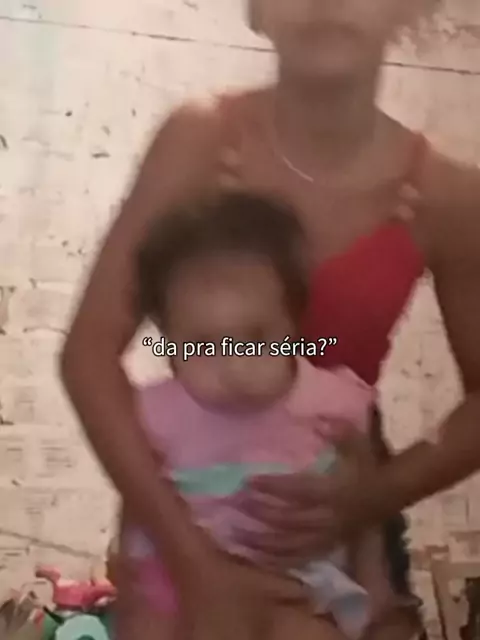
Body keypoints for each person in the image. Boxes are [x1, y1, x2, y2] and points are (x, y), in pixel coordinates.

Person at [60, 1, 480, 639]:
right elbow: (88, 355)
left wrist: (369, 498)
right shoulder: (203, 141)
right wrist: (193, 564)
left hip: (335, 501)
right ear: (258, 8)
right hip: (189, 511)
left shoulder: (448, 195)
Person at [116, 191, 394, 640]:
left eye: (256, 337)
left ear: (293, 324)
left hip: (299, 582)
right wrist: (126, 576)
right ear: (168, 344)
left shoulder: (333, 402)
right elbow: (134, 497)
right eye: (204, 346)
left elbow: (368, 499)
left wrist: (374, 581)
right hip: (176, 579)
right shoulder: (154, 412)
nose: (234, 364)